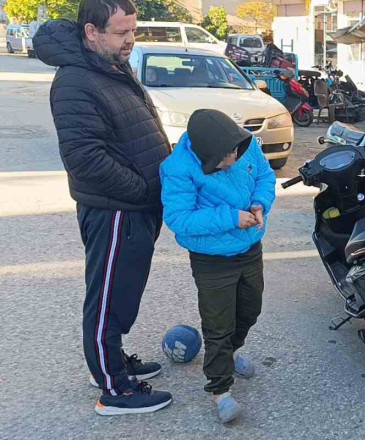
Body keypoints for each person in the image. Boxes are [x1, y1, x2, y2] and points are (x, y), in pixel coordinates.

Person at [34, 0, 173, 415]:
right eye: (120, 32)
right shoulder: (76, 80)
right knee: (108, 299)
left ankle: (110, 365)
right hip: (117, 209)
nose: (130, 40)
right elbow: (84, 157)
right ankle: (114, 389)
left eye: (133, 30)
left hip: (136, 206)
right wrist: (141, 189)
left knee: (122, 293)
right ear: (92, 32)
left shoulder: (108, 65)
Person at [160, 109, 276, 423]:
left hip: (250, 246)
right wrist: (230, 218)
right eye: (222, 161)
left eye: (233, 155)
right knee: (218, 324)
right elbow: (178, 219)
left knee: (250, 309)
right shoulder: (178, 168)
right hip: (211, 259)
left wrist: (259, 203)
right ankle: (220, 390)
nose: (231, 163)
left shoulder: (246, 144)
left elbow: (265, 177)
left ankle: (233, 350)